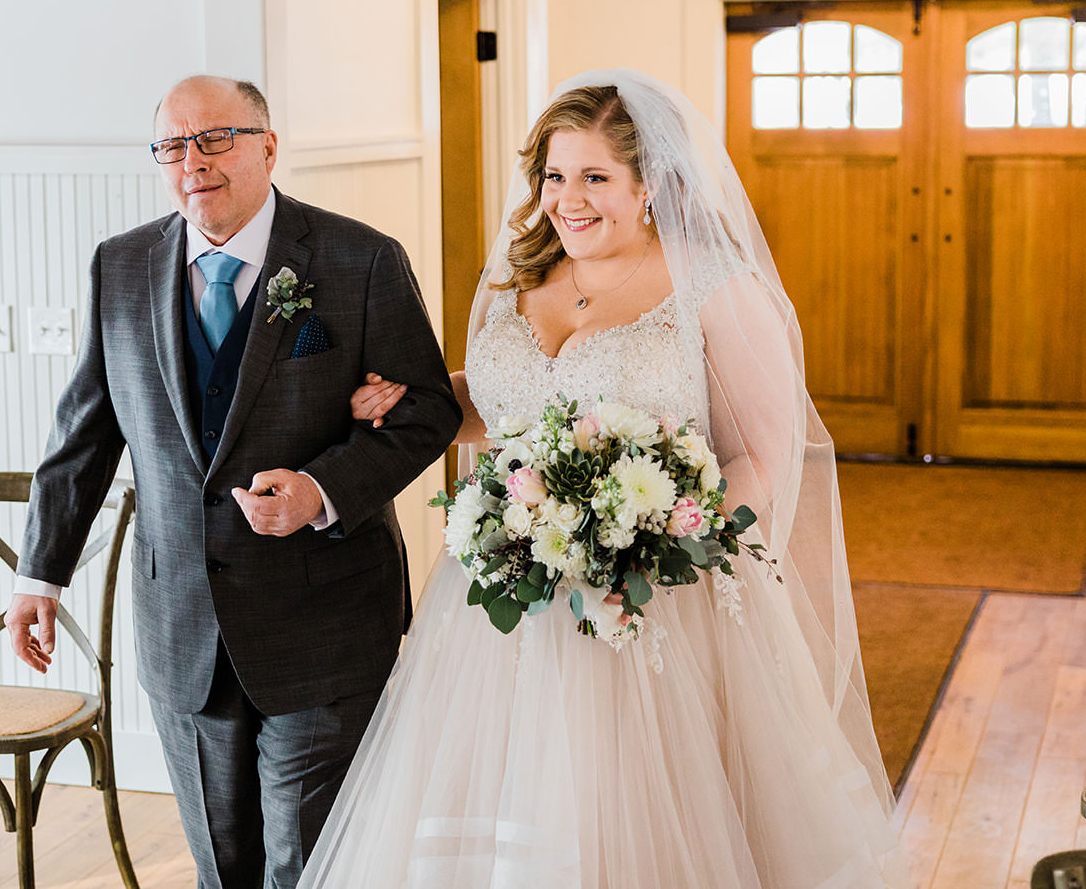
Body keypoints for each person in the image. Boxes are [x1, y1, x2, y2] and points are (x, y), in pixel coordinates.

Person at [300, 69, 907, 888]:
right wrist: (423, 399)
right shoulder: (519, 277)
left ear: (650, 182)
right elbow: (503, 405)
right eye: (554, 175)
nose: (568, 199)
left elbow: (763, 453)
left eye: (594, 177)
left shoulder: (713, 289)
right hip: (508, 607)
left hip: (663, 608)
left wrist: (657, 555)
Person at [6, 75, 460, 888]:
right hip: (183, 625)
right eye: (174, 145)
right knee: (223, 864)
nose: (194, 161)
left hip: (324, 624)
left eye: (216, 138)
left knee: (311, 861)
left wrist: (321, 490)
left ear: (268, 145)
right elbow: (83, 433)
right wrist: (40, 570)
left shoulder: (361, 260)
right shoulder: (122, 265)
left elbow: (429, 410)